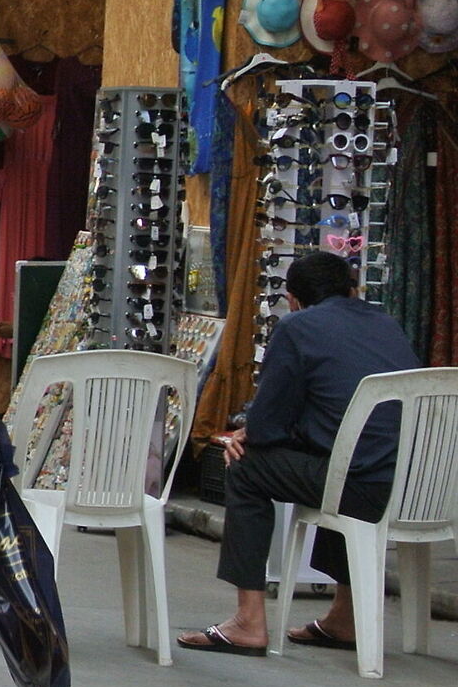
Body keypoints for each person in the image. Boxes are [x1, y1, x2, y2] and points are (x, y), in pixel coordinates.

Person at [178, 250, 421, 656]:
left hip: (359, 486)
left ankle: (248, 621)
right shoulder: (386, 323)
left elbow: (268, 426)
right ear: (353, 290)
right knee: (337, 461)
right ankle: (345, 616)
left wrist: (246, 434)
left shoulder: (297, 327)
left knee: (245, 466)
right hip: (412, 487)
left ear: (292, 300)